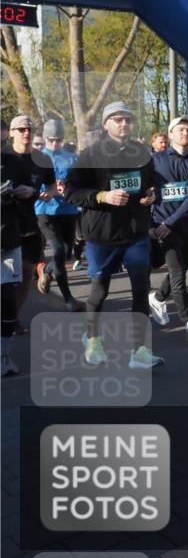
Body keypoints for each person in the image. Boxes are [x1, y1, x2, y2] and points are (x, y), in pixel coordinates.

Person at [65, 102, 163, 370]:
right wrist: (102, 196)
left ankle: (140, 351)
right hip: (102, 235)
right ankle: (93, 338)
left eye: (127, 119)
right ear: (106, 125)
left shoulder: (142, 153)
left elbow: (153, 182)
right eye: (117, 119)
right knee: (100, 291)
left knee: (141, 289)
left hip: (135, 233)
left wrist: (152, 194)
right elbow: (70, 191)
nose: (123, 124)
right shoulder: (90, 155)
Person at [147, 115, 188, 342]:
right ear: (171, 133)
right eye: (181, 129)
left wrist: (172, 221)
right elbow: (146, 194)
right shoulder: (155, 161)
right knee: (177, 273)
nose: (185, 133)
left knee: (181, 270)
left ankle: (158, 297)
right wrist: (151, 224)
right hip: (164, 228)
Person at [6, 115, 54, 323]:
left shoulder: (42, 159)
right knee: (5, 279)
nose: (26, 133)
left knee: (26, 275)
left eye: (30, 129)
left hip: (28, 223)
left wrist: (38, 192)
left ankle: (12, 318)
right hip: (4, 224)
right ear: (11, 133)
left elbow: (51, 186)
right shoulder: (3, 156)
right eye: (21, 129)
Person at [34, 119, 83, 312]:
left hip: (68, 211)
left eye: (58, 139)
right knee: (58, 251)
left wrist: (68, 188)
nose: (55, 143)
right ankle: (69, 299)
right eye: (51, 139)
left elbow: (80, 181)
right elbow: (30, 184)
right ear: (45, 138)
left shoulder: (72, 158)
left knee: (67, 252)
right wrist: (43, 191)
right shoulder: (37, 158)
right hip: (45, 211)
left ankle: (46, 270)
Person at [1, 143, 24, 375]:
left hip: (8, 241)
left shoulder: (13, 163)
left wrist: (28, 192)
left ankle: (3, 354)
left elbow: (32, 191)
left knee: (7, 298)